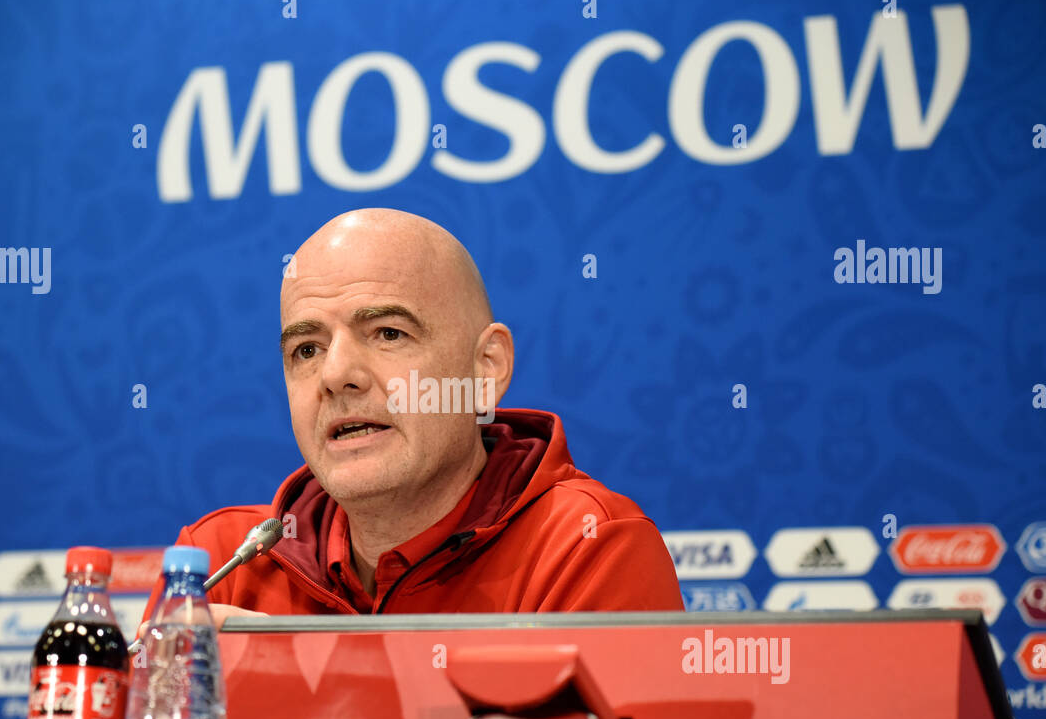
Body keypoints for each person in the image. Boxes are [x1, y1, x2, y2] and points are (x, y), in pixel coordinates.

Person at [139, 207, 681, 629]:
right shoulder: (219, 564)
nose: (336, 375)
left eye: (388, 334)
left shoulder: (588, 549)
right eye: (306, 349)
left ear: (485, 369)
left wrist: (294, 684)